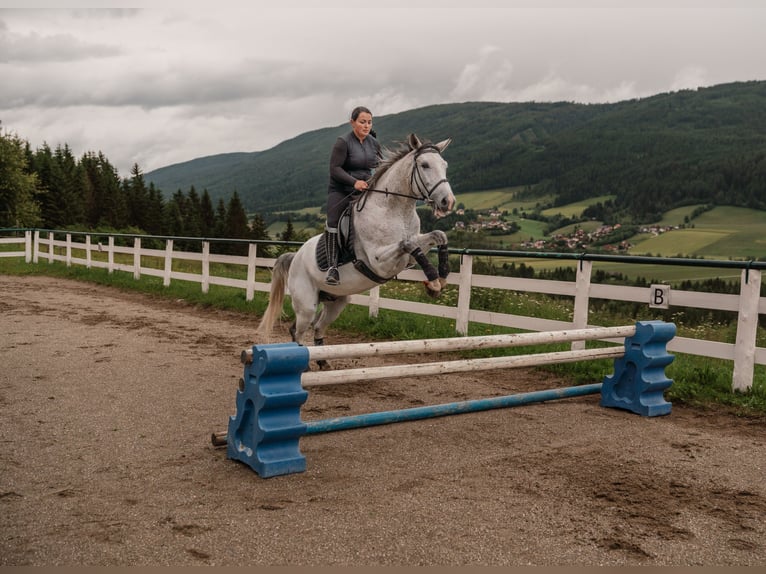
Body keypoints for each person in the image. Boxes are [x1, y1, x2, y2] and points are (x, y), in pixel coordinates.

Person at [324, 106, 381, 285]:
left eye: (369, 122)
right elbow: (334, 169)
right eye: (362, 122)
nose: (366, 125)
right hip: (341, 190)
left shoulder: (374, 143)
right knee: (333, 220)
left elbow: (381, 166)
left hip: (365, 190)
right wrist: (353, 182)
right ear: (352, 122)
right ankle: (332, 267)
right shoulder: (343, 142)